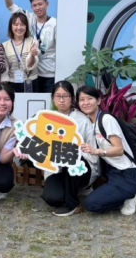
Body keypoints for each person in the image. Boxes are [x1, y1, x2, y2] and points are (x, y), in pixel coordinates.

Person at [77, 85, 136, 216]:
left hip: (127, 173)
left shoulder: (106, 120)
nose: (86, 102)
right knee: (91, 202)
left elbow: (119, 150)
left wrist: (97, 151)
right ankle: (121, 196)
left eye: (89, 98)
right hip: (112, 173)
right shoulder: (90, 122)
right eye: (82, 99)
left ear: (98, 101)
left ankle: (129, 196)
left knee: (91, 204)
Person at [41, 81, 99, 217]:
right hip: (58, 169)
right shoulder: (47, 120)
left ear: (72, 98)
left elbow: (92, 153)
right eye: (58, 96)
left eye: (66, 96)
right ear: (53, 98)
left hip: (80, 168)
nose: (61, 100)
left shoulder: (82, 120)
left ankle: (72, 204)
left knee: (71, 157)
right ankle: (71, 190)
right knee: (52, 198)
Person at [2, 0, 57, 93]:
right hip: (31, 74)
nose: (38, 8)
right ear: (31, 7)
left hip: (49, 74)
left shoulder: (55, 24)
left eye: (40, 4)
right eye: (34, 5)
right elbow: (10, 6)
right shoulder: (28, 17)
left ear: (47, 4)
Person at [1, 11, 39, 93]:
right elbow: (5, 69)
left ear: (26, 26)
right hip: (12, 84)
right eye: (16, 24)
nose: (19, 27)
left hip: (31, 82)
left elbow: (32, 65)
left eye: (22, 24)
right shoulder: (4, 46)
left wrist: (32, 55)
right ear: (11, 26)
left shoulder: (32, 42)